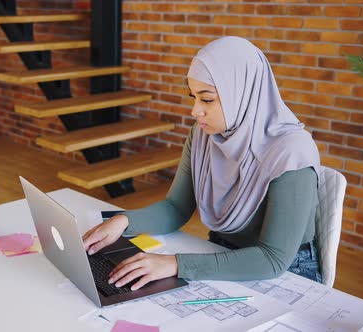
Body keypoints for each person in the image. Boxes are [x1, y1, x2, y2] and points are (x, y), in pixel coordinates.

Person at [82, 36, 322, 292]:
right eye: (193, 97)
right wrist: (124, 222)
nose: (195, 111)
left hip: (287, 272)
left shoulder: (291, 152)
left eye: (206, 100)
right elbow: (176, 207)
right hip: (221, 251)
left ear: (241, 94)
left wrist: (175, 264)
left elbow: (273, 259)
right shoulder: (203, 136)